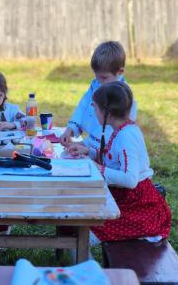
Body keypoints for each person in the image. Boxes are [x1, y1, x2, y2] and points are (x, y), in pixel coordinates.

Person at [67, 82, 171, 241]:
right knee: (76, 215)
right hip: (124, 198)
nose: (93, 111)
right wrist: (90, 152)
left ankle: (86, 265)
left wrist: (97, 169)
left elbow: (130, 180)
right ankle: (82, 261)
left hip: (137, 206)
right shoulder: (121, 129)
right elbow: (113, 158)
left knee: (82, 231)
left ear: (106, 112)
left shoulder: (126, 137)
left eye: (95, 107)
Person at [60, 41, 137, 153]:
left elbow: (113, 129)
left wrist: (86, 146)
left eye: (104, 77)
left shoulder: (123, 96)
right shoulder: (96, 84)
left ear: (120, 72)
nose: (100, 82)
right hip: (94, 146)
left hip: (113, 152)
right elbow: (83, 106)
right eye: (97, 76)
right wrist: (70, 129)